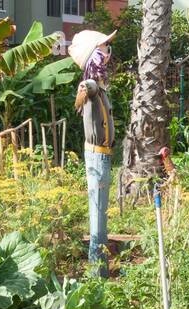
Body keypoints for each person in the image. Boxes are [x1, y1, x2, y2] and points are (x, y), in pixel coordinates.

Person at [70, 29, 116, 277]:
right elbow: (86, 87)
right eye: (102, 48)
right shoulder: (92, 86)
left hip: (103, 154)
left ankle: (100, 268)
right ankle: (97, 272)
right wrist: (85, 87)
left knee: (102, 213)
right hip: (97, 156)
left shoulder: (100, 88)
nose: (107, 53)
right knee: (98, 214)